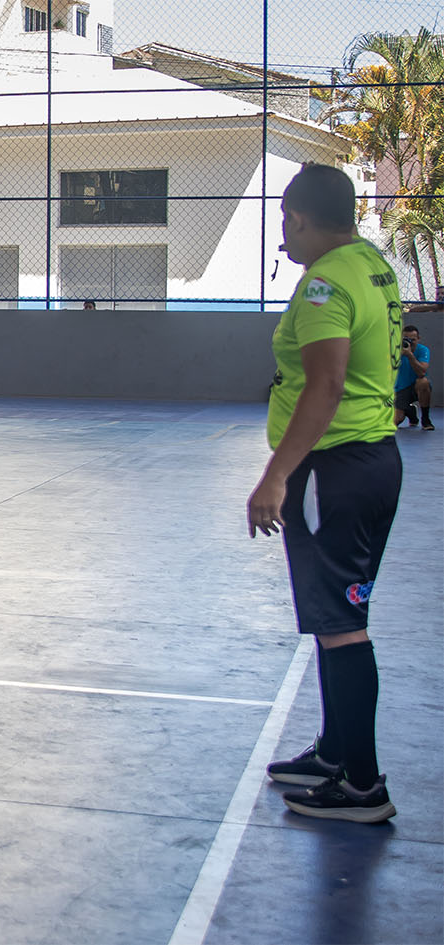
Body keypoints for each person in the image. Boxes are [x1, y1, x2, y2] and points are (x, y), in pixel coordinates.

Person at [249, 163, 403, 824]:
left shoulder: (322, 285)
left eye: (286, 217)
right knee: (334, 616)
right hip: (370, 462)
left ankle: (362, 786)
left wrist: (276, 475)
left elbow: (325, 386)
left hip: (335, 469)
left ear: (302, 216)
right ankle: (336, 752)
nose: (283, 229)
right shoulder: (371, 265)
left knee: (341, 626)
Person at [393, 325, 432, 431]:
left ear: (418, 339)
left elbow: (422, 372)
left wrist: (410, 355)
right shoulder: (393, 350)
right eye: (406, 339)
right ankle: (410, 411)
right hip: (400, 388)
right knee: (395, 421)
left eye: (413, 339)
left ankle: (425, 418)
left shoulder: (423, 350)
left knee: (423, 382)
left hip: (416, 386)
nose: (409, 342)